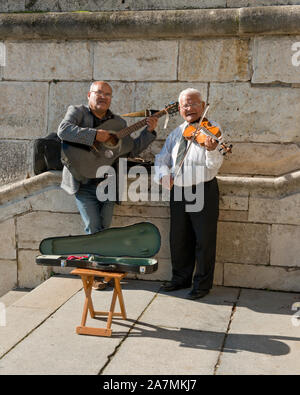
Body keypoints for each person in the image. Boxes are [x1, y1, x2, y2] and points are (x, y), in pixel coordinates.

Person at [58, 81, 157, 289]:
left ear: (111, 99)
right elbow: (64, 131)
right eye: (99, 93)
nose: (103, 97)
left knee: (105, 228)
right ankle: (95, 274)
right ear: (89, 95)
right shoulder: (77, 112)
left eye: (107, 94)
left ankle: (102, 270)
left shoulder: (119, 123)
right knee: (93, 227)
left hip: (108, 184)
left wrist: (148, 132)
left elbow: (132, 149)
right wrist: (94, 135)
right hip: (82, 182)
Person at [154, 88, 224, 300]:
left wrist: (212, 150)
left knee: (204, 239)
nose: (189, 108)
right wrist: (165, 176)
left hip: (202, 189)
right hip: (178, 191)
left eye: (193, 103)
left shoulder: (213, 130)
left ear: (202, 106)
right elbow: (161, 158)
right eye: (184, 105)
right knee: (179, 238)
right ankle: (180, 279)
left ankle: (202, 285)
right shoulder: (177, 133)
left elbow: (215, 166)